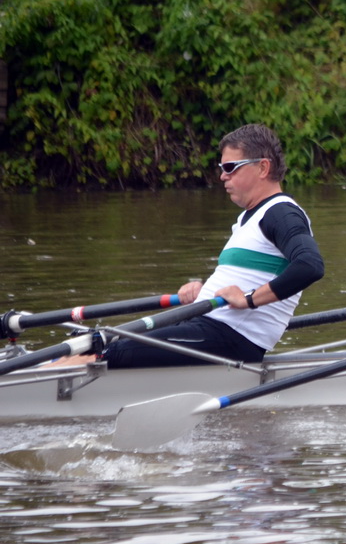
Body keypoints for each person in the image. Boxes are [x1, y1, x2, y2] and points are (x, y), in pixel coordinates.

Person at [94, 123, 324, 368]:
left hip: (231, 337)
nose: (223, 176)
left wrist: (249, 299)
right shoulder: (248, 219)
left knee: (107, 354)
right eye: (222, 168)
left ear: (262, 167)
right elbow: (250, 275)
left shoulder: (281, 213)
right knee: (96, 343)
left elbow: (309, 265)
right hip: (208, 328)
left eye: (230, 167)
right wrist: (203, 293)